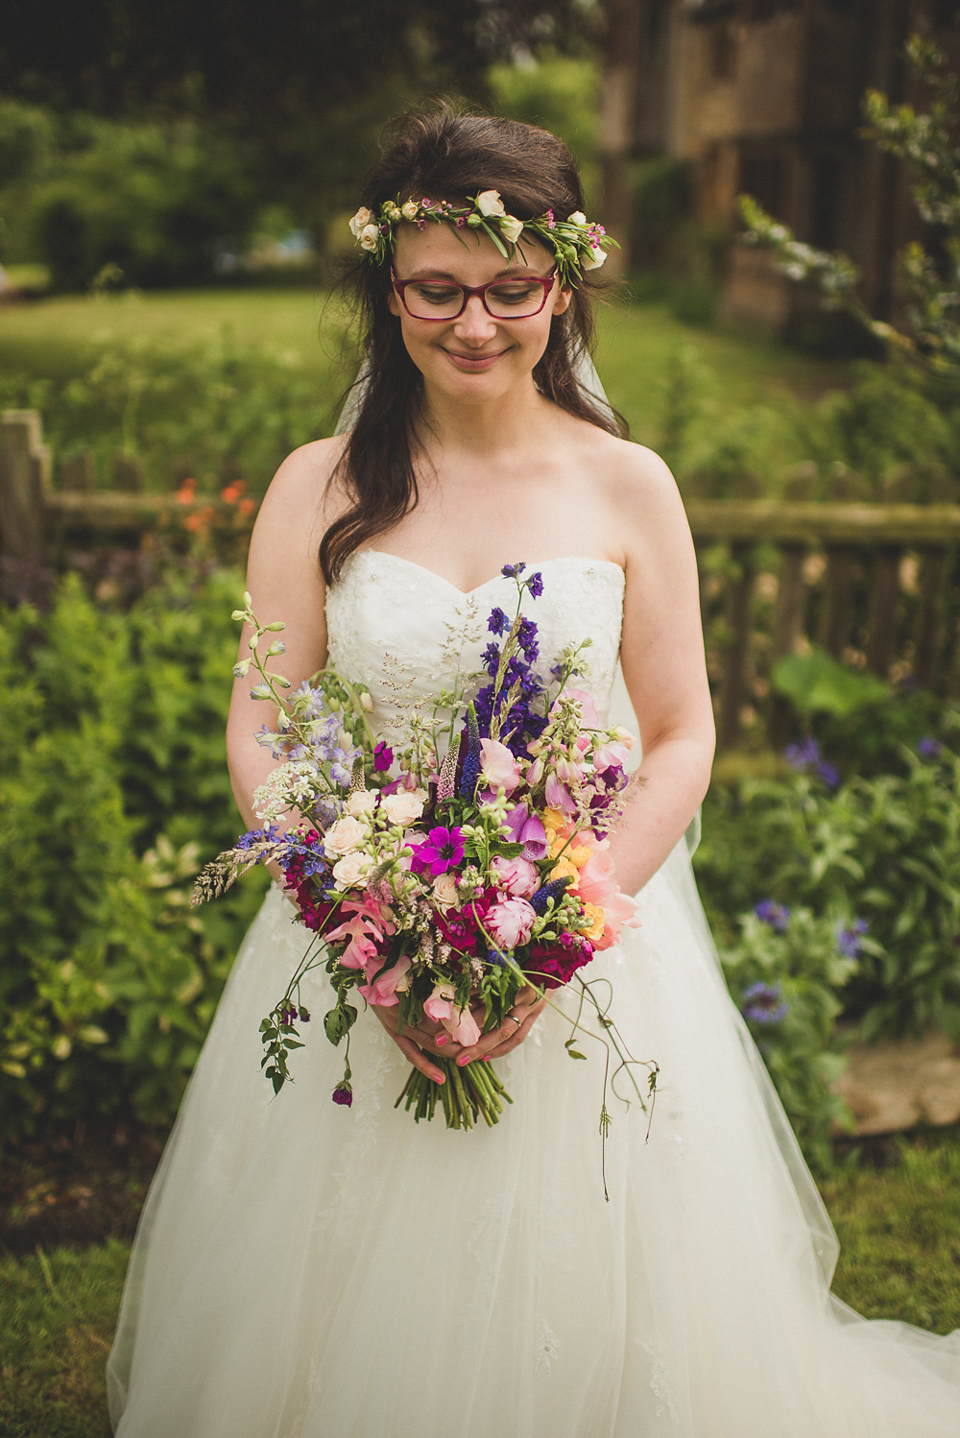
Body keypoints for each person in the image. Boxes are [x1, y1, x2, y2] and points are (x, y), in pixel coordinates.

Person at [107, 110, 960, 1437]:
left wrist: (559, 934)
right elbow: (262, 730)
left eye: (511, 290)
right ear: (387, 290)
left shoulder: (629, 487)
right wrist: (364, 931)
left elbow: (682, 734)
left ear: (562, 283)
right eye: (437, 290)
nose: (475, 325)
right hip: (360, 938)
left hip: (589, 939)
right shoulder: (315, 487)